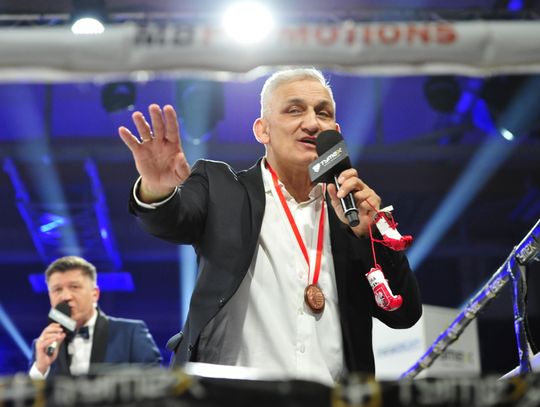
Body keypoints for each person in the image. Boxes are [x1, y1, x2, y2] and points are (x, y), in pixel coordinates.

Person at [118, 68, 422, 385]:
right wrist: (157, 189)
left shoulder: (350, 213)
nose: (312, 123)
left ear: (335, 131)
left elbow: (404, 315)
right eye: (295, 110)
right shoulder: (221, 188)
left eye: (323, 113)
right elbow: (171, 222)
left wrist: (368, 236)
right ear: (262, 130)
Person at [29, 255, 162, 378]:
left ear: (95, 294)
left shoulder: (130, 333)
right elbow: (29, 395)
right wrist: (40, 367)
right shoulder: (43, 346)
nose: (65, 297)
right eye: (57, 289)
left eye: (74, 287)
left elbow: (157, 384)